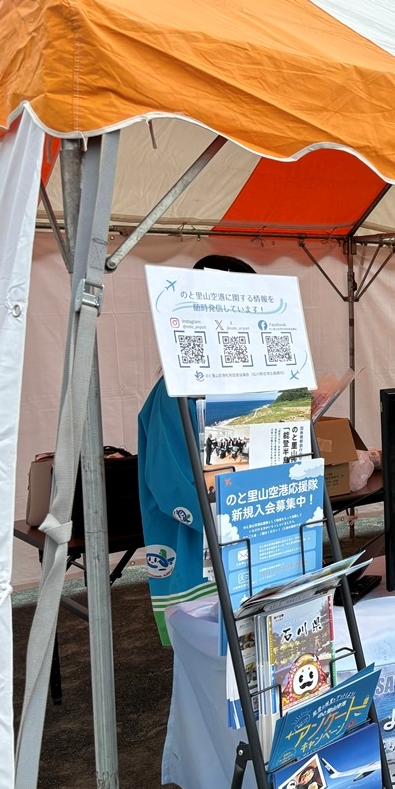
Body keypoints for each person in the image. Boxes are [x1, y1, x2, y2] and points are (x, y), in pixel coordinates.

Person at [138, 254, 257, 644]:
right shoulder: (174, 390)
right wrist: (240, 512)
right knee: (210, 666)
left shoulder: (249, 384)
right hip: (196, 553)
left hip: (246, 539)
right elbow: (170, 481)